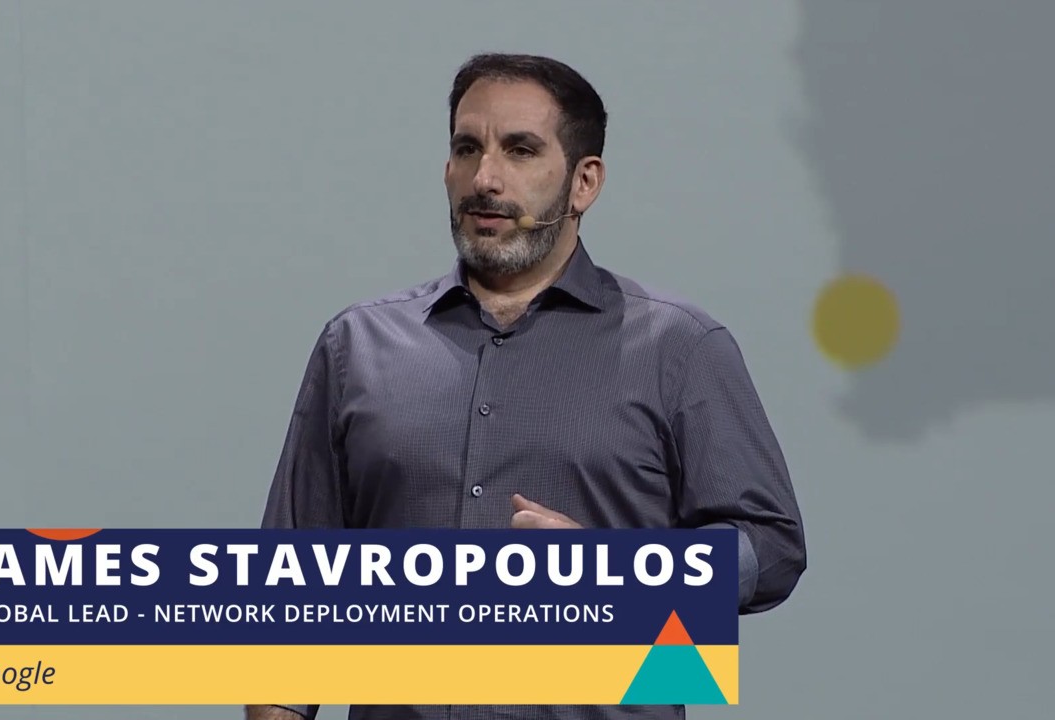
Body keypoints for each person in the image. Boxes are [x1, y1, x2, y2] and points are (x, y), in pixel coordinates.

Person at [247, 52, 805, 720]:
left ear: (583, 182)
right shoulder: (356, 348)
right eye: (467, 149)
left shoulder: (679, 348)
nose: (485, 179)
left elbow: (771, 548)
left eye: (520, 150)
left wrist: (622, 575)